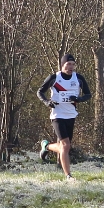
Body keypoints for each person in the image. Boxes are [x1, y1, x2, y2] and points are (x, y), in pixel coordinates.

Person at [37, 53, 92, 182]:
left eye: (73, 64)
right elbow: (40, 92)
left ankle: (46, 146)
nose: (71, 67)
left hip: (71, 115)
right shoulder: (54, 78)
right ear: (62, 65)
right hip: (57, 115)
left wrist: (78, 99)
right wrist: (47, 102)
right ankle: (68, 176)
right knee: (66, 145)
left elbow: (88, 94)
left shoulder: (78, 78)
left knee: (65, 146)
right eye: (68, 64)